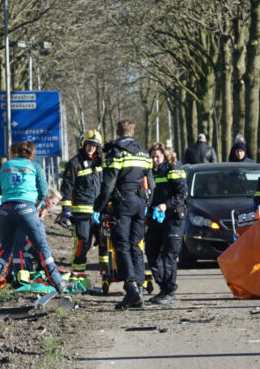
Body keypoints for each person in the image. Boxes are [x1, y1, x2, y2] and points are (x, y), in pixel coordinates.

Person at [0, 141, 68, 293]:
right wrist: (35, 204)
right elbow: (43, 191)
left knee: (5, 247)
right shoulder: (34, 165)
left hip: (6, 210)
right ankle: (58, 282)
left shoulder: (5, 166)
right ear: (31, 154)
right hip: (27, 209)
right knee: (42, 246)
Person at [93, 119, 155, 309]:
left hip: (123, 203)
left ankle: (131, 288)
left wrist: (98, 207)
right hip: (140, 204)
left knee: (121, 245)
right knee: (136, 246)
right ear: (133, 133)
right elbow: (151, 185)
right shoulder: (144, 154)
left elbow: (108, 184)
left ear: (118, 133)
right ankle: (139, 289)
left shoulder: (116, 153)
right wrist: (146, 205)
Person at [59, 129, 109, 277]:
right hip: (81, 213)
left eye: (94, 145)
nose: (91, 147)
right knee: (83, 243)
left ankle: (106, 275)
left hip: (100, 212)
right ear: (83, 144)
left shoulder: (102, 164)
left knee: (104, 242)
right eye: (88, 144)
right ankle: (77, 276)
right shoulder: (74, 163)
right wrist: (66, 210)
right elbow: (66, 188)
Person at [145, 143, 188, 305]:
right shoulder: (151, 171)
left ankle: (170, 291)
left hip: (173, 217)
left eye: (158, 157)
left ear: (164, 155)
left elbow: (182, 193)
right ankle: (163, 287)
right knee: (151, 252)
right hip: (156, 217)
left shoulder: (174, 169)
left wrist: (166, 205)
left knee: (169, 255)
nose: (155, 160)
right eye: (153, 157)